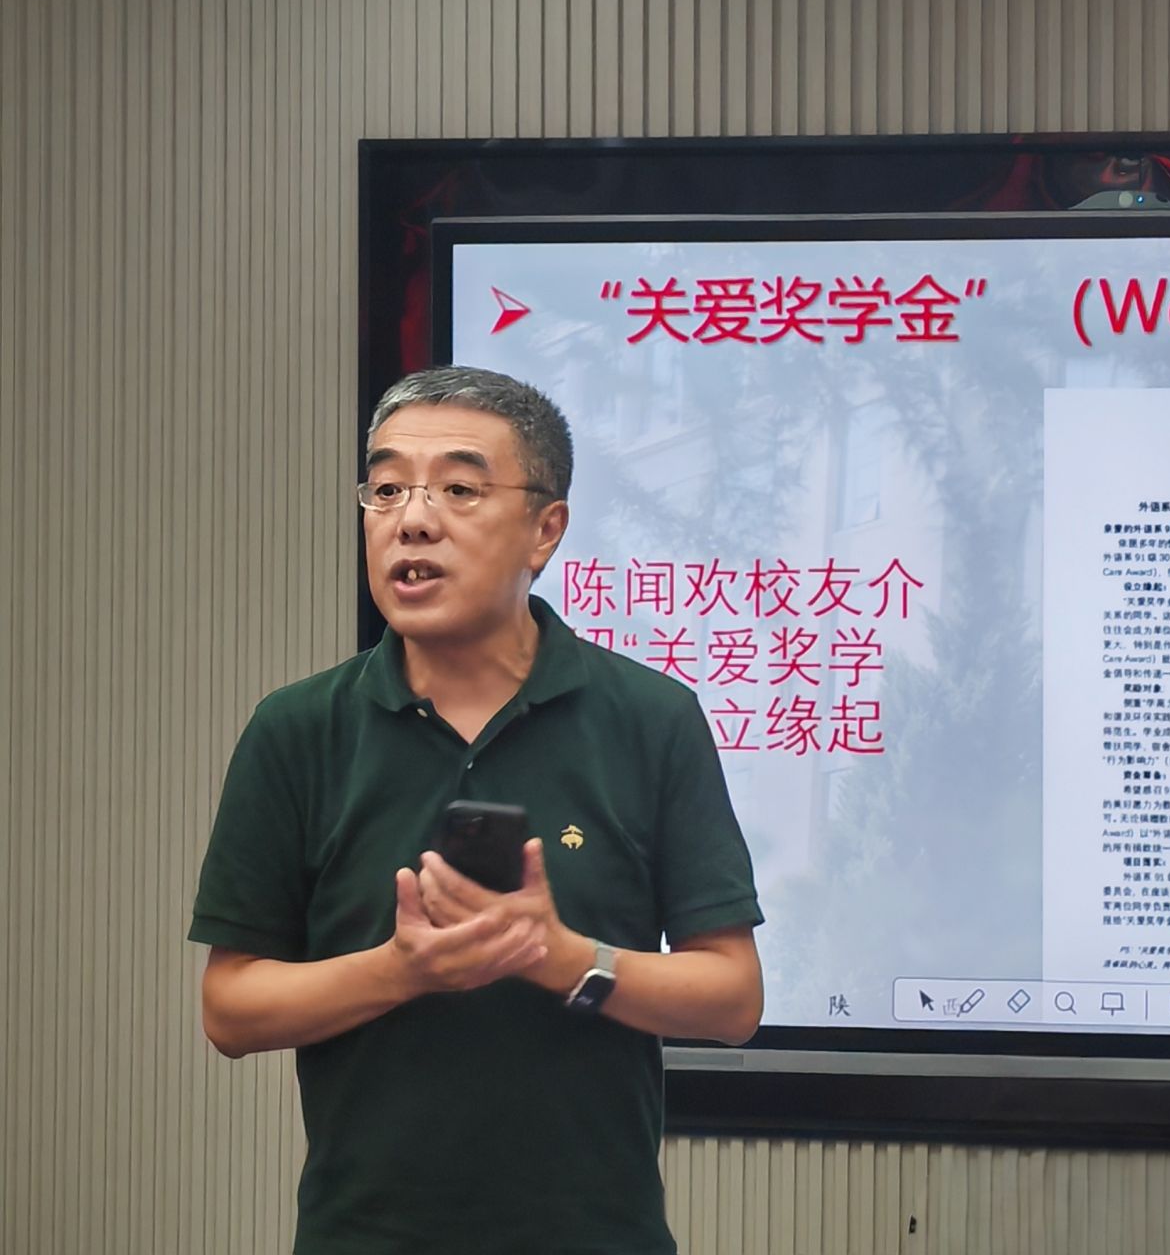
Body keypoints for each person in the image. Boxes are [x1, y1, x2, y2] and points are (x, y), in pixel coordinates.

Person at [189, 366, 763, 1255]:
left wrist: (563, 959)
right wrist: (402, 971)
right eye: (386, 489)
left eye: (458, 489)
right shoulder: (298, 729)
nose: (412, 520)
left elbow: (731, 998)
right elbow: (230, 1008)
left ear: (546, 530)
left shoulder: (650, 719)